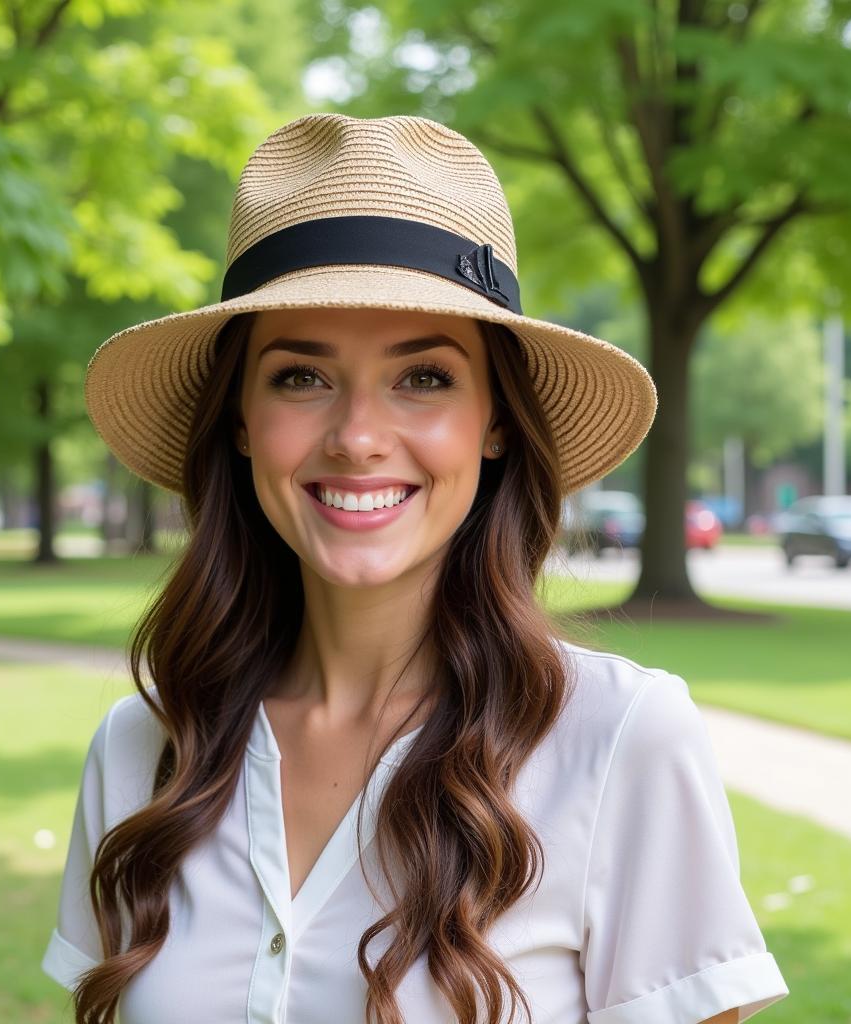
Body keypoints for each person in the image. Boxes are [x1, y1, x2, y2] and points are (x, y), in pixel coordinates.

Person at [41, 113, 790, 1024]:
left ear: (496, 420)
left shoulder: (621, 740)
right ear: (240, 420)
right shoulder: (143, 749)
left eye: (424, 377)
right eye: (299, 377)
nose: (357, 437)